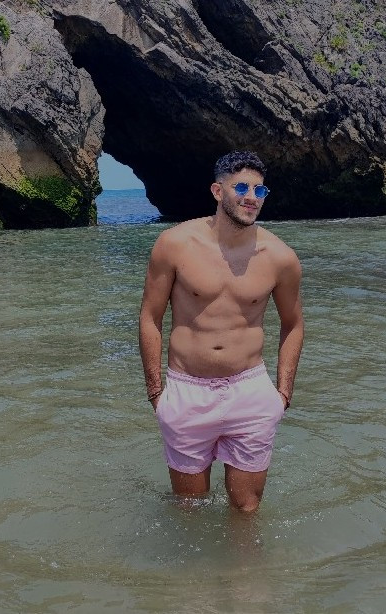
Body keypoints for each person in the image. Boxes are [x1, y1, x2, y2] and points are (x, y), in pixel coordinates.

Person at [139, 150, 304, 512]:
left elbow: (293, 324)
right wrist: (156, 394)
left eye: (260, 191)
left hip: (250, 391)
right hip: (187, 391)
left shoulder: (280, 257)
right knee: (189, 508)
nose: (251, 197)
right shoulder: (175, 244)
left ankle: (245, 557)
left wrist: (282, 395)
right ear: (217, 191)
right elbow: (150, 317)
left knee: (247, 509)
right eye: (241, 188)